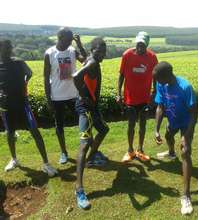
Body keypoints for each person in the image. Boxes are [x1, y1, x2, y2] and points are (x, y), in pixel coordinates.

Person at [0, 39, 58, 177]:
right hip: (6, 106)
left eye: (9, 47)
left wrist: (24, 84)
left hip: (22, 103)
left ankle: (46, 164)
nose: (8, 50)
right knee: (10, 132)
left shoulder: (19, 63)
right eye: (5, 48)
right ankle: (14, 160)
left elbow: (29, 73)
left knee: (34, 131)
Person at [153, 61, 198, 215]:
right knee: (167, 135)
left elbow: (194, 113)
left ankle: (185, 196)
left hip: (186, 122)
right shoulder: (161, 85)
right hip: (173, 120)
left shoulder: (185, 87)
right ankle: (171, 153)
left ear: (167, 75)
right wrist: (156, 129)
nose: (157, 82)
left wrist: (186, 136)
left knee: (185, 151)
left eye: (158, 79)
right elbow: (160, 107)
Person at [73, 37, 109, 209]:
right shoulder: (92, 63)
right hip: (85, 107)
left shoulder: (90, 58)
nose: (103, 54)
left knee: (103, 129)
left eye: (104, 51)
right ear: (94, 50)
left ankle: (91, 158)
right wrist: (84, 95)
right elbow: (76, 77)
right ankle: (79, 189)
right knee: (85, 143)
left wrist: (78, 43)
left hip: (92, 106)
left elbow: (84, 54)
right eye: (100, 51)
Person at [44, 27, 87, 164]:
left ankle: (88, 147)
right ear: (60, 38)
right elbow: (45, 78)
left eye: (71, 40)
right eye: (68, 40)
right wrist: (48, 99)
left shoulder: (72, 51)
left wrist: (79, 44)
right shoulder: (50, 53)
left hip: (74, 94)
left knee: (84, 120)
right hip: (57, 96)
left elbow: (85, 60)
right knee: (59, 125)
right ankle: (63, 152)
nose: (70, 42)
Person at [116, 31, 158, 162]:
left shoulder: (152, 57)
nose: (140, 47)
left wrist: (155, 91)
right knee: (131, 124)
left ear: (147, 45)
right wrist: (118, 93)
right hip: (130, 98)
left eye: (143, 45)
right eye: (139, 44)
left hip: (145, 98)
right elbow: (121, 75)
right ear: (136, 42)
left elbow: (155, 76)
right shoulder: (127, 55)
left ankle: (140, 150)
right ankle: (130, 150)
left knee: (143, 125)